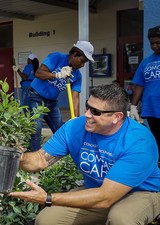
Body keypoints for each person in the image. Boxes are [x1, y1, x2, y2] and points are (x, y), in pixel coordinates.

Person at [10, 84, 160, 225]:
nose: (87, 114)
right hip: (98, 190)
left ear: (117, 117)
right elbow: (40, 159)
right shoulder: (75, 127)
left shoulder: (139, 142)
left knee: (121, 219)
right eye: (88, 106)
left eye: (95, 112)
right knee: (47, 220)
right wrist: (18, 157)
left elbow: (105, 197)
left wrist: (47, 198)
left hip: (142, 192)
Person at [26, 41, 95, 151]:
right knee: (36, 129)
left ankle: (67, 157)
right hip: (35, 96)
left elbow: (75, 97)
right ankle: (34, 159)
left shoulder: (77, 75)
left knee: (60, 129)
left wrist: (74, 118)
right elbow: (38, 73)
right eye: (82, 61)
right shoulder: (57, 57)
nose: (82, 65)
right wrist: (57, 75)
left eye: (85, 63)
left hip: (51, 102)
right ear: (75, 54)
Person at [130, 25, 160, 165]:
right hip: (152, 108)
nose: (154, 46)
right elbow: (139, 85)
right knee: (156, 138)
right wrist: (133, 106)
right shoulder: (146, 62)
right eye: (152, 43)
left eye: (158, 43)